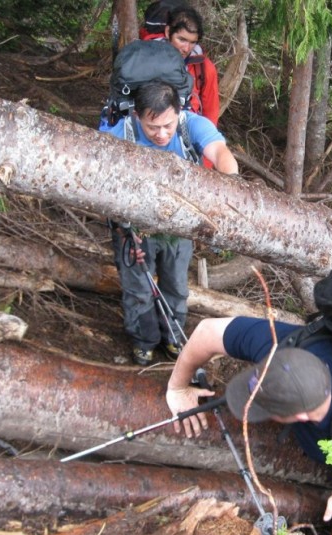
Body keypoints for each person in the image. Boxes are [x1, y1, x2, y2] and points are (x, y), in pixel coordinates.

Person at [165, 316, 332, 532]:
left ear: (302, 417)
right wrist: (177, 387)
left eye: (266, 409)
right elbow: (208, 331)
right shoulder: (277, 345)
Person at [102, 81, 238, 365]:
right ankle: (144, 340)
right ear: (137, 116)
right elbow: (103, 186)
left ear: (179, 112)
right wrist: (122, 227)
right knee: (138, 287)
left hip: (179, 226)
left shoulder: (191, 125)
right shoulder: (120, 134)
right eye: (153, 128)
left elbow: (220, 154)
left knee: (176, 284)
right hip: (134, 226)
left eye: (168, 125)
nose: (162, 134)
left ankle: (174, 337)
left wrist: (227, 190)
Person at [140, 3, 220, 127]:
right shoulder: (145, 57)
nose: (186, 48)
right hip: (150, 129)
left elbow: (210, 113)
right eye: (182, 40)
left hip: (187, 133)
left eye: (192, 42)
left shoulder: (204, 67)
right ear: (168, 32)